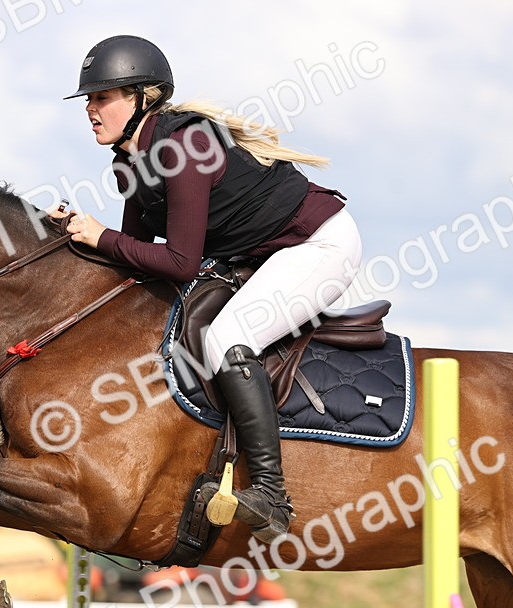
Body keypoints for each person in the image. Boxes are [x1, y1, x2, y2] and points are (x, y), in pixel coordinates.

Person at [60, 35, 363, 543]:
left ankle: (270, 494)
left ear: (142, 98)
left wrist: (101, 235)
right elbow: (134, 252)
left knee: (227, 339)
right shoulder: (130, 162)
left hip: (319, 245)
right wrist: (74, 235)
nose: (91, 109)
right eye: (89, 99)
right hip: (263, 256)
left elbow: (180, 263)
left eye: (102, 97)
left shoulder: (183, 146)